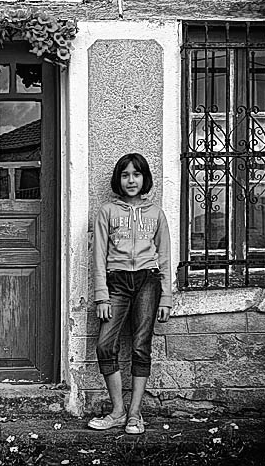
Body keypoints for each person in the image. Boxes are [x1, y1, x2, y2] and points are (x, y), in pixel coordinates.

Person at [87, 153, 172, 435]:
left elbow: (165, 256)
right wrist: (101, 295)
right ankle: (117, 411)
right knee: (105, 344)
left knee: (140, 345)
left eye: (136, 174)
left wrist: (166, 297)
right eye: (125, 175)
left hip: (149, 281)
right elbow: (98, 256)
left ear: (144, 178)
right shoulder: (107, 212)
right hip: (117, 283)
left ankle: (135, 414)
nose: (131, 180)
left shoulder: (156, 213)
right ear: (118, 179)